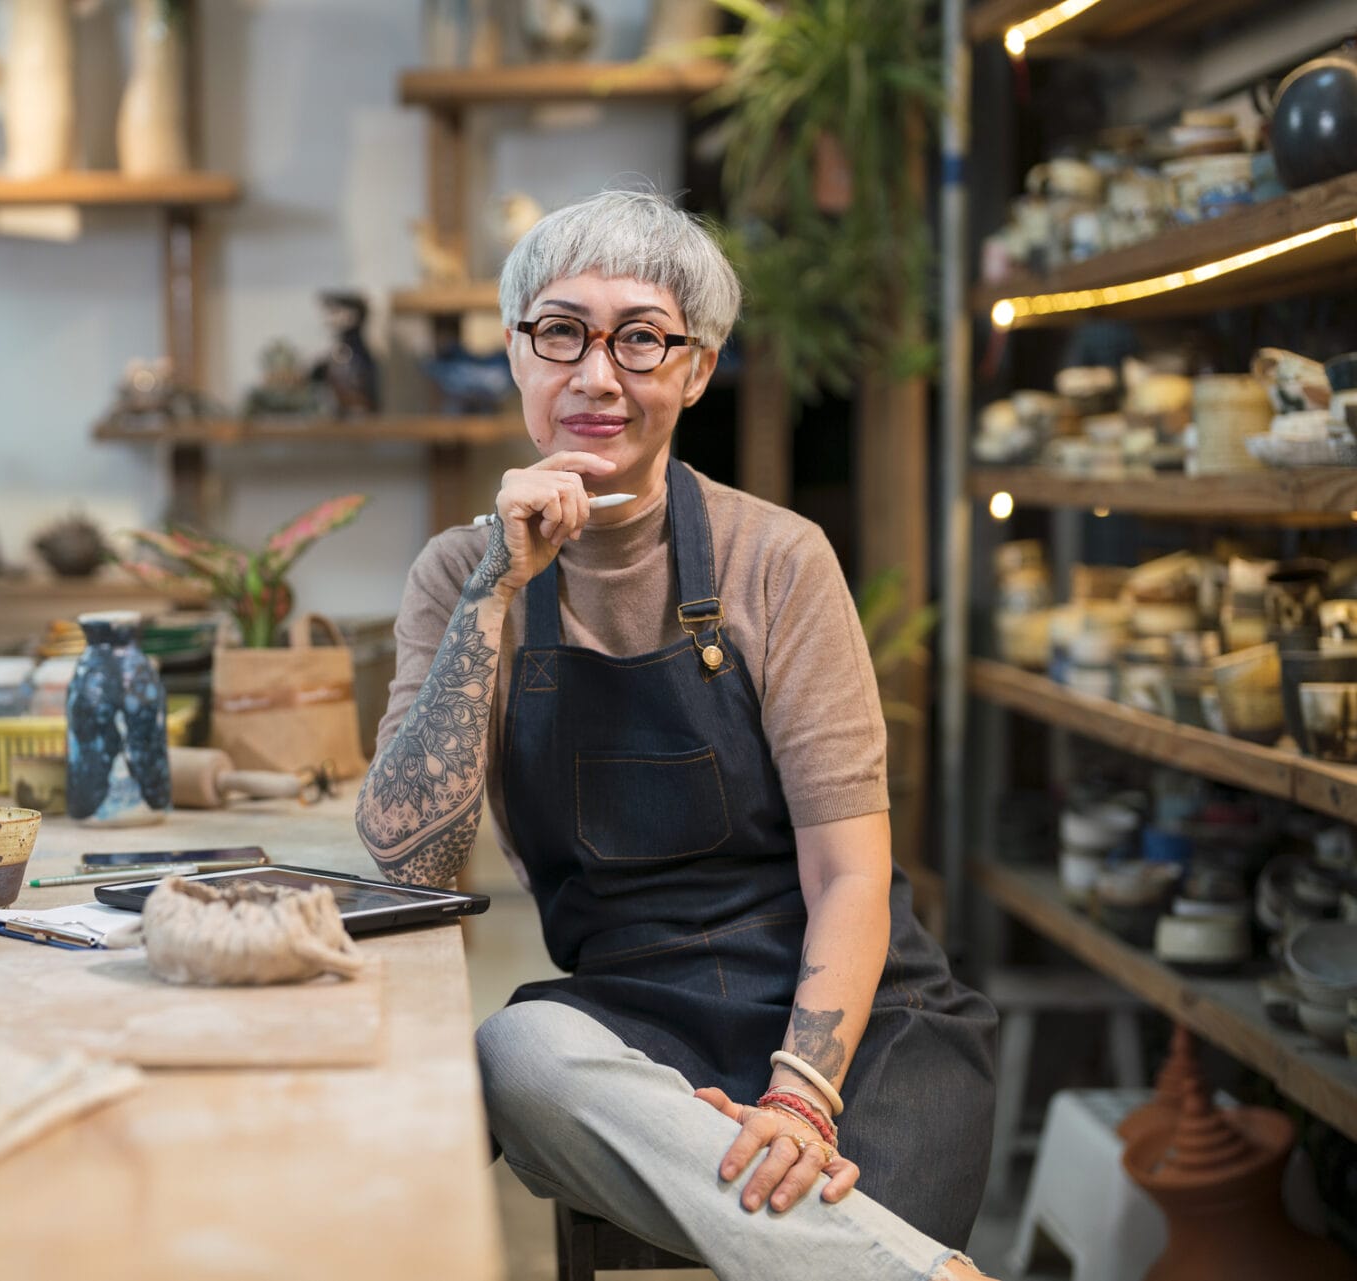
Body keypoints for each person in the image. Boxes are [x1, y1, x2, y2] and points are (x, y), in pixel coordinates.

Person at [356, 190, 998, 1281]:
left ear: (696, 370)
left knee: (818, 1185)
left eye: (642, 339)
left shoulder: (778, 561)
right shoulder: (456, 579)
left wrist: (798, 1092)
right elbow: (408, 862)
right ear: (517, 354)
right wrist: (496, 592)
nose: (597, 377)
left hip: (852, 1018)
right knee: (516, 1054)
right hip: (633, 1017)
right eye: (561, 332)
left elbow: (851, 875)